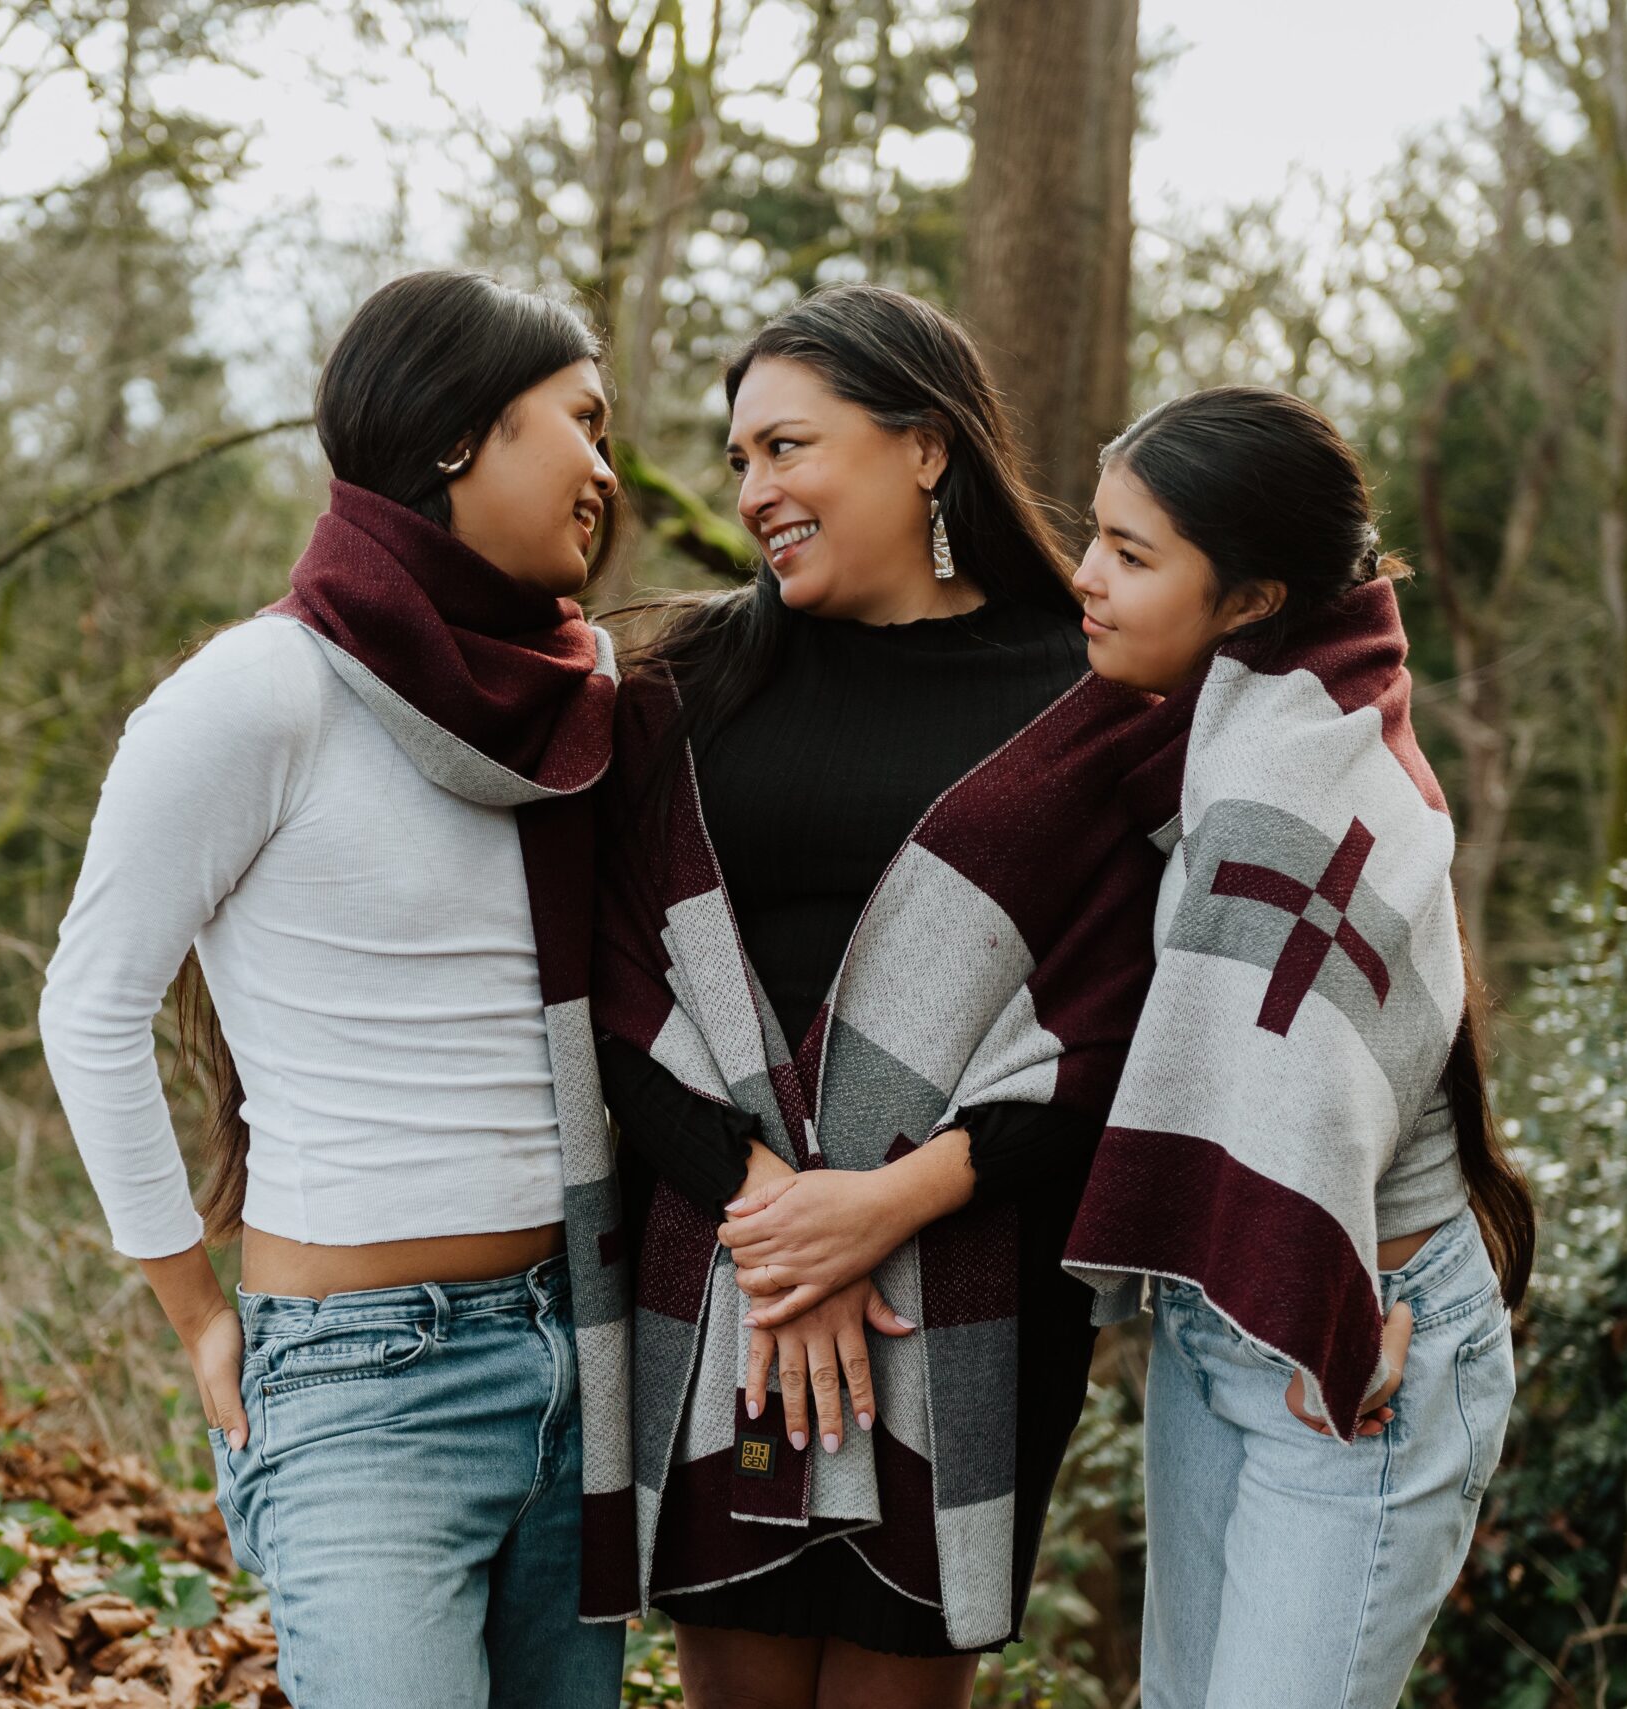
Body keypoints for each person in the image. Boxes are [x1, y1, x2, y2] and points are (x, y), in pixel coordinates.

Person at [36, 270, 629, 1709]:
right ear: (457, 437)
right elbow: (90, 1004)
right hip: (366, 1383)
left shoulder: (588, 694)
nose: (608, 469)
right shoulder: (265, 692)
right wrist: (191, 1306)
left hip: (581, 1346)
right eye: (584, 422)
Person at [580, 284, 1174, 1707]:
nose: (754, 489)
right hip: (727, 1267)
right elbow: (613, 985)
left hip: (966, 1279)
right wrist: (784, 1216)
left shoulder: (1082, 704)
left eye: (787, 446)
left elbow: (1114, 1023)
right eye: (736, 461)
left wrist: (884, 1208)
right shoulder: (687, 689)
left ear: (923, 447)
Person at [1059, 386, 1538, 1709]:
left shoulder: (1296, 781)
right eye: (1094, 535)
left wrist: (1318, 1313)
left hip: (1351, 1351)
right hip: (1232, 1317)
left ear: (1254, 598)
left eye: (1132, 554)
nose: (1086, 578)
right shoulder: (1252, 719)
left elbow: (1301, 1092)